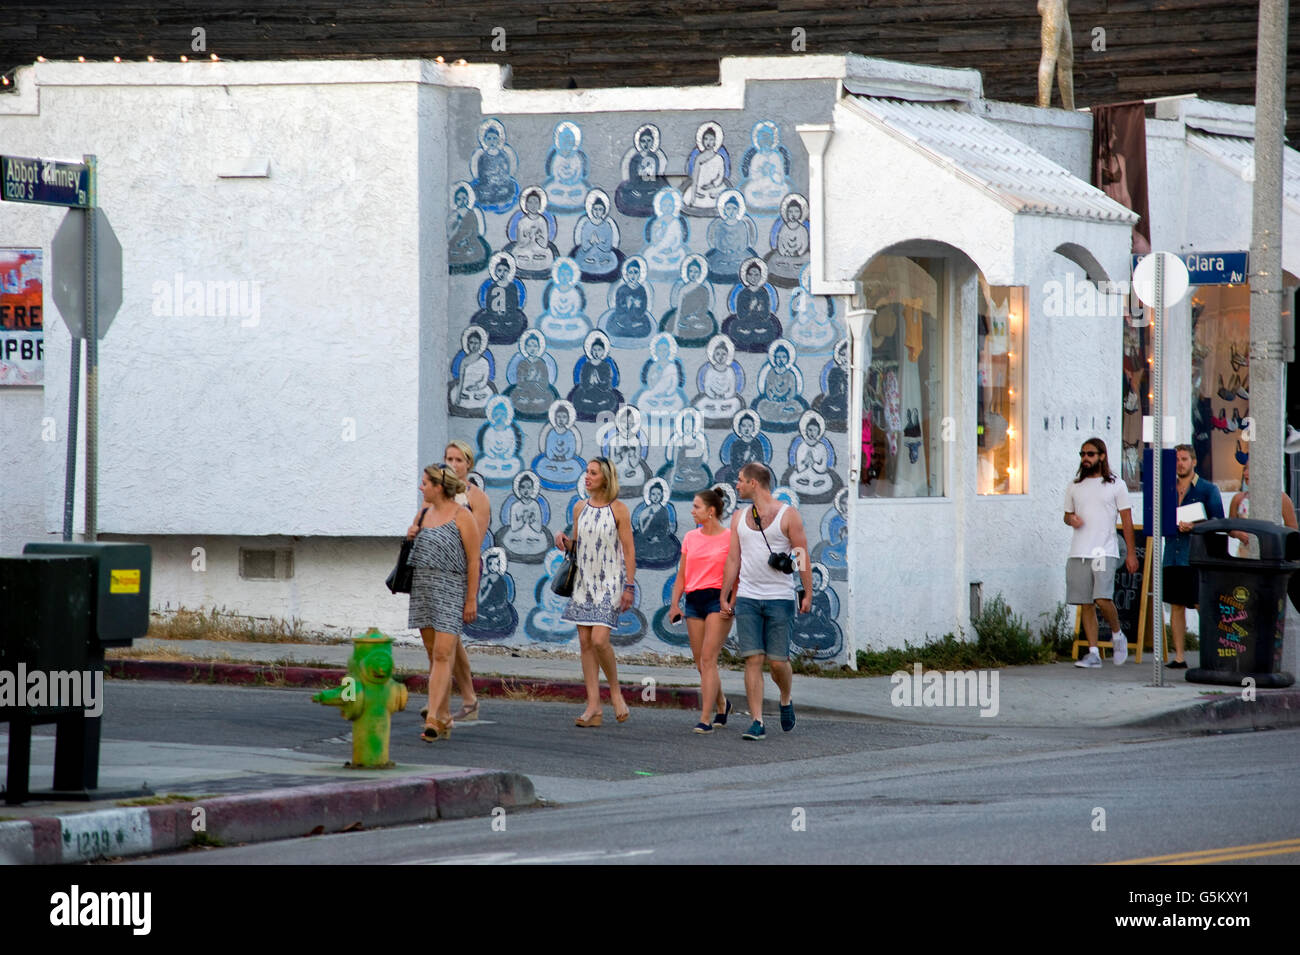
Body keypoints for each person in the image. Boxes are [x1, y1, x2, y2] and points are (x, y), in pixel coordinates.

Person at [719, 462, 812, 740]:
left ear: (754, 483)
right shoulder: (738, 517)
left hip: (779, 598)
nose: (737, 485)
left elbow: (801, 553)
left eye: (740, 480)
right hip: (748, 597)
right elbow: (733, 559)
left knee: (777, 662)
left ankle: (785, 697)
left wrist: (807, 592)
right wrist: (725, 594)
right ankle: (757, 720)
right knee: (753, 659)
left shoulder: (788, 515)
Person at [556, 457, 636, 726]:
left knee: (600, 640)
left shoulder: (619, 510)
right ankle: (593, 707)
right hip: (583, 583)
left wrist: (629, 586)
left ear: (606, 478)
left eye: (593, 473)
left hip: (610, 584)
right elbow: (577, 547)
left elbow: (629, 551)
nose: (587, 477)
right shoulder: (580, 508)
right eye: (586, 472)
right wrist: (564, 542)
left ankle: (615, 693)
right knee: (585, 643)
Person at [406, 462, 481, 741]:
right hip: (423, 587)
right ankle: (445, 714)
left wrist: (471, 599)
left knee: (442, 654)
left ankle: (435, 717)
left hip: (451, 589)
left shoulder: (463, 516)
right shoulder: (423, 513)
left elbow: (474, 560)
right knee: (432, 652)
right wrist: (411, 534)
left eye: (425, 482)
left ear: (438, 487)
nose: (421, 487)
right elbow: (414, 549)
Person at [1065, 438, 1139, 668]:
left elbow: (1127, 521)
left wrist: (1131, 554)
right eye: (1082, 454)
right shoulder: (1074, 485)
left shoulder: (1116, 485)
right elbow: (1066, 514)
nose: (1085, 458)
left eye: (1090, 454)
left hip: (1104, 551)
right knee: (1085, 603)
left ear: (1102, 456)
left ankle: (1118, 635)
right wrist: (1071, 519)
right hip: (1079, 552)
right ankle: (1094, 652)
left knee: (1102, 598)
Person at [429, 440, 488, 722]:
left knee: (450, 637)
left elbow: (475, 541)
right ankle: (458, 699)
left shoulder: (476, 498)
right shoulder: (439, 494)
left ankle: (450, 702)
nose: (452, 465)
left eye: (458, 460)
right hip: (436, 571)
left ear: (468, 465)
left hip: (462, 572)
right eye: (448, 459)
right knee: (449, 639)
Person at [669, 490, 732, 732]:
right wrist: (675, 604)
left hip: (718, 599)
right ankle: (721, 703)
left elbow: (736, 574)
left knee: (708, 658)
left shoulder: (729, 538)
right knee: (701, 663)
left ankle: (705, 719)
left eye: (696, 507)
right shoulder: (690, 538)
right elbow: (682, 575)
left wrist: (731, 600)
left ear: (711, 511)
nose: (692, 511)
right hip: (694, 601)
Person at [1162, 444, 1224, 668]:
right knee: (1176, 605)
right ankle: (1179, 657)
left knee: (1200, 604)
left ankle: (1213, 653)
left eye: (1184, 459)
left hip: (1195, 555)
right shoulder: (1166, 488)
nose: (1180, 463)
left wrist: (1195, 525)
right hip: (1172, 554)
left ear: (1194, 462)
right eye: (1177, 459)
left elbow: (1218, 521)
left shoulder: (1207, 489)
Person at [1228, 460, 1298, 559]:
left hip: (1273, 555)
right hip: (1244, 556)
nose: (1245, 473)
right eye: (1245, 469)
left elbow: (1292, 529)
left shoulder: (1281, 498)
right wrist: (1237, 533)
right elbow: (1229, 528)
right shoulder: (1238, 499)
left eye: (1250, 469)